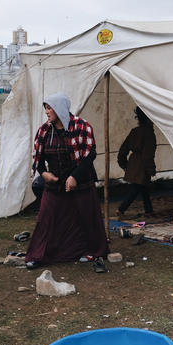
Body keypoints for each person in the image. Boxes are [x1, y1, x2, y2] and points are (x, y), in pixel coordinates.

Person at [25, 92, 109, 272]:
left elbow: (89, 155)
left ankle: (93, 251)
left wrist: (75, 177)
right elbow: (38, 159)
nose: (47, 112)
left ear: (60, 109)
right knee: (46, 219)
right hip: (55, 183)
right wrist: (44, 174)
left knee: (86, 218)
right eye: (46, 108)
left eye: (50, 108)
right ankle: (39, 255)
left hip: (81, 181)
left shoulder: (82, 126)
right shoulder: (44, 131)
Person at [116, 107, 157, 217]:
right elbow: (148, 154)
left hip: (134, 163)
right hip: (142, 165)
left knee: (144, 187)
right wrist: (150, 168)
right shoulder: (148, 134)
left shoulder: (135, 131)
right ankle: (121, 209)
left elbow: (123, 149)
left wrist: (124, 164)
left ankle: (149, 210)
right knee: (137, 188)